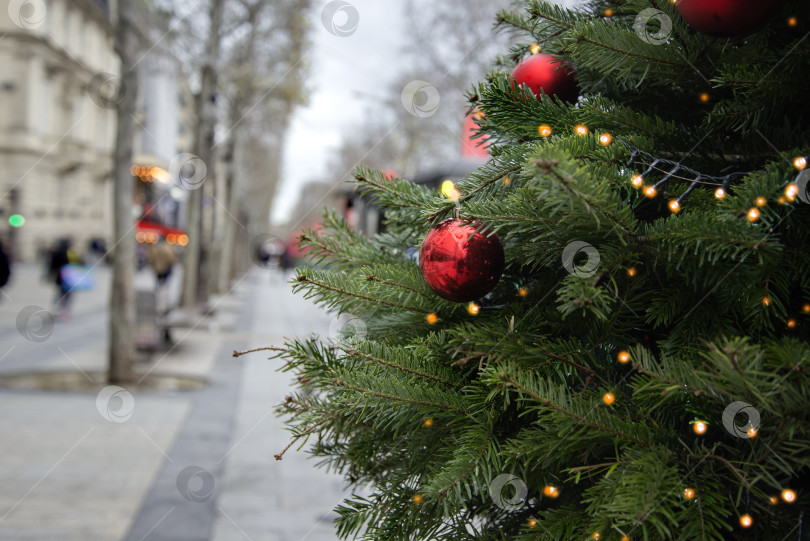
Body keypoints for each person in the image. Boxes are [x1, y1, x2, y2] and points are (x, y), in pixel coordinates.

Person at [48, 238, 81, 319]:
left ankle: (55, 309)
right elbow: (80, 263)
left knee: (59, 293)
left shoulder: (56, 253)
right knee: (68, 294)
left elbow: (52, 266)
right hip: (70, 277)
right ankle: (65, 310)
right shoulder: (72, 253)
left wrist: (49, 275)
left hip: (59, 277)